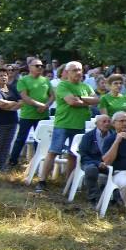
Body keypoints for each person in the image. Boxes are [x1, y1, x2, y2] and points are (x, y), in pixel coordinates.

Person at [37, 61, 98, 193]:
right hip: (63, 124)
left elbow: (96, 100)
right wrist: (85, 102)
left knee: (73, 154)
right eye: (75, 70)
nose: (78, 72)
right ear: (67, 72)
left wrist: (80, 98)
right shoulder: (62, 85)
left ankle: (68, 183)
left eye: (80, 70)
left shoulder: (86, 86)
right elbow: (71, 102)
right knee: (53, 151)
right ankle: (42, 181)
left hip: (80, 124)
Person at [8, 58, 51, 170]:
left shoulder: (45, 80)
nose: (40, 67)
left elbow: (52, 96)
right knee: (21, 139)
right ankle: (12, 162)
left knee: (40, 141)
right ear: (29, 67)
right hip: (27, 115)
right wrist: (40, 105)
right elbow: (24, 97)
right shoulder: (23, 80)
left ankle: (38, 165)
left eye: (41, 65)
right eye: (37, 65)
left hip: (43, 116)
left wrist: (46, 105)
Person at [0, 67, 22, 174]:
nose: (4, 77)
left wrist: (7, 106)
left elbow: (21, 102)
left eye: (5, 75)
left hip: (11, 121)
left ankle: (2, 167)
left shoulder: (10, 88)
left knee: (6, 145)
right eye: (1, 75)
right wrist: (12, 104)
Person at [78, 113, 115, 204]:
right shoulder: (88, 136)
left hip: (108, 163)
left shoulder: (113, 136)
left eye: (108, 121)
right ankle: (93, 197)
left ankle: (115, 198)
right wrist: (97, 163)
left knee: (119, 171)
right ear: (97, 123)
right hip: (90, 162)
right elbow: (83, 154)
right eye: (104, 121)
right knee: (91, 169)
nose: (106, 124)